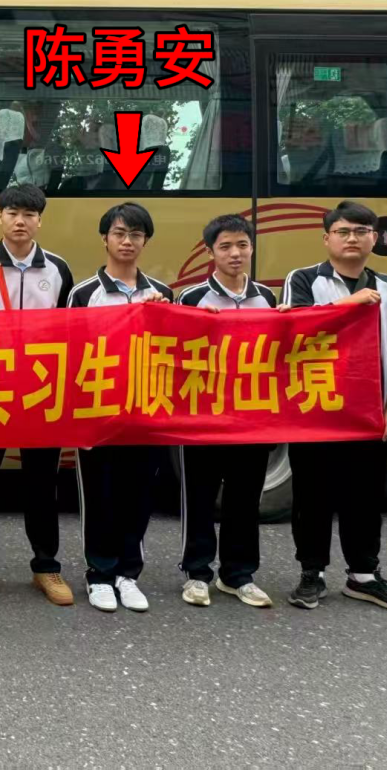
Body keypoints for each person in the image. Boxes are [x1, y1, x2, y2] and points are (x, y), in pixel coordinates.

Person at [281, 200, 387, 614]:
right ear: (327, 238)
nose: (352, 239)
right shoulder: (303, 280)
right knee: (312, 496)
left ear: (375, 239)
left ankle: (364, 575)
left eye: (361, 231)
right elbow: (293, 328)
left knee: (366, 497)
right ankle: (311, 572)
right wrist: (350, 304)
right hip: (316, 413)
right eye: (343, 231)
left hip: (370, 416)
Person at [0, 183, 75, 606]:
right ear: (0, 217)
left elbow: (70, 332)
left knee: (42, 481)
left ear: (40, 220)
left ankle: (46, 566)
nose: (20, 221)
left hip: (41, 388)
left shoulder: (58, 269)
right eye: (12, 213)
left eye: (28, 214)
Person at [67, 202, 172, 613]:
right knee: (100, 496)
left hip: (146, 412)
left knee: (138, 495)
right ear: (105, 239)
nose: (127, 242)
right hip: (98, 414)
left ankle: (128, 574)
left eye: (136, 235)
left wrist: (162, 316)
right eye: (120, 233)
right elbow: (69, 355)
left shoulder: (161, 294)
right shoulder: (83, 294)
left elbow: (175, 353)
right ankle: (99, 574)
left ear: (146, 241)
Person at [175, 214, 279, 610]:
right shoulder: (191, 298)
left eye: (242, 245)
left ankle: (238, 575)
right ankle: (197, 573)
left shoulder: (267, 298)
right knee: (199, 497)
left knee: (245, 498)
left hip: (251, 417)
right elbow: (173, 353)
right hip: (202, 416)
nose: (235, 253)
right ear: (210, 252)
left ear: (251, 248)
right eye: (225, 246)